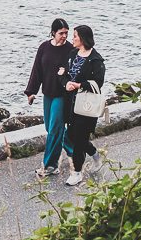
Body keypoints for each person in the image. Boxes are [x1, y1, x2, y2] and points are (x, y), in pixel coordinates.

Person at [25, 19, 75, 180]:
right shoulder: (44, 47)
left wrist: (66, 72)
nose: (64, 36)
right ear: (53, 32)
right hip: (48, 93)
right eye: (61, 33)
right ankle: (76, 150)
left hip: (63, 95)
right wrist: (31, 92)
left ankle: (50, 166)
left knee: (54, 129)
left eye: (67, 33)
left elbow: (76, 70)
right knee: (51, 127)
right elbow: (37, 70)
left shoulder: (70, 49)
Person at [61, 24, 106, 187]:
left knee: (79, 140)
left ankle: (77, 173)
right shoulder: (73, 54)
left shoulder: (96, 60)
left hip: (86, 105)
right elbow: (64, 73)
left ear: (83, 38)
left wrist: (79, 85)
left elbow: (98, 82)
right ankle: (94, 154)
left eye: (75, 36)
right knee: (73, 135)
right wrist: (66, 83)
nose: (72, 39)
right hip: (70, 103)